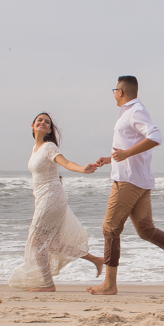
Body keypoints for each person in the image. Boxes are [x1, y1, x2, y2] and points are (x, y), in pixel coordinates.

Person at [87, 76, 164, 295]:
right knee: (145, 230)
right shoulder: (128, 112)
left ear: (121, 91)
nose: (114, 94)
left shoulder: (135, 111)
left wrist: (126, 154)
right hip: (139, 179)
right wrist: (111, 159)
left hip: (128, 180)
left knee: (110, 228)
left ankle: (109, 284)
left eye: (115, 90)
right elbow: (130, 145)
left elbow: (156, 137)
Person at [9, 112, 104, 292]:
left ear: (49, 130)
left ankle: (47, 284)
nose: (43, 123)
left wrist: (83, 169)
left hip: (51, 197)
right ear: (32, 126)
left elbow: (66, 163)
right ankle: (96, 260)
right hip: (43, 197)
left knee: (36, 242)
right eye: (39, 120)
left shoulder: (49, 147)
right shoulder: (35, 148)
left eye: (47, 122)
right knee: (52, 243)